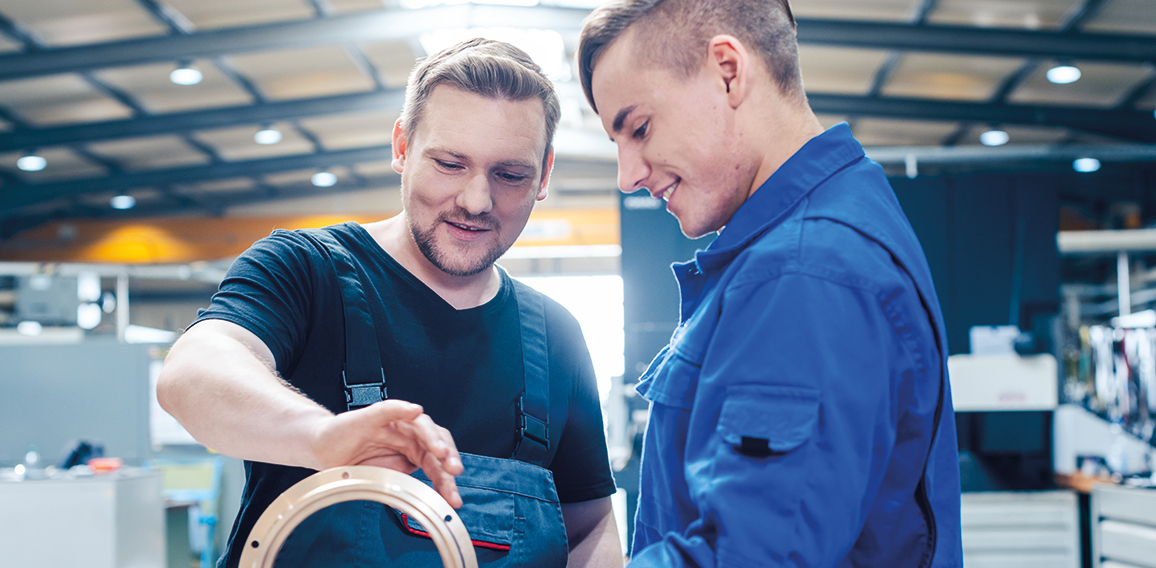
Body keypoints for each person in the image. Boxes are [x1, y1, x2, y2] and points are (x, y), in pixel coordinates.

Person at [158, 38, 622, 568]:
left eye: (510, 175)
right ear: (402, 147)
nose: (476, 201)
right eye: (450, 164)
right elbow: (191, 374)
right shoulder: (304, 270)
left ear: (543, 175)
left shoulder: (555, 335)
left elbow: (589, 527)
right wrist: (321, 437)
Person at [577, 1, 962, 566]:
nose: (627, 174)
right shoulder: (834, 228)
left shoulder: (807, 271)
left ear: (728, 71)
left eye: (639, 128)